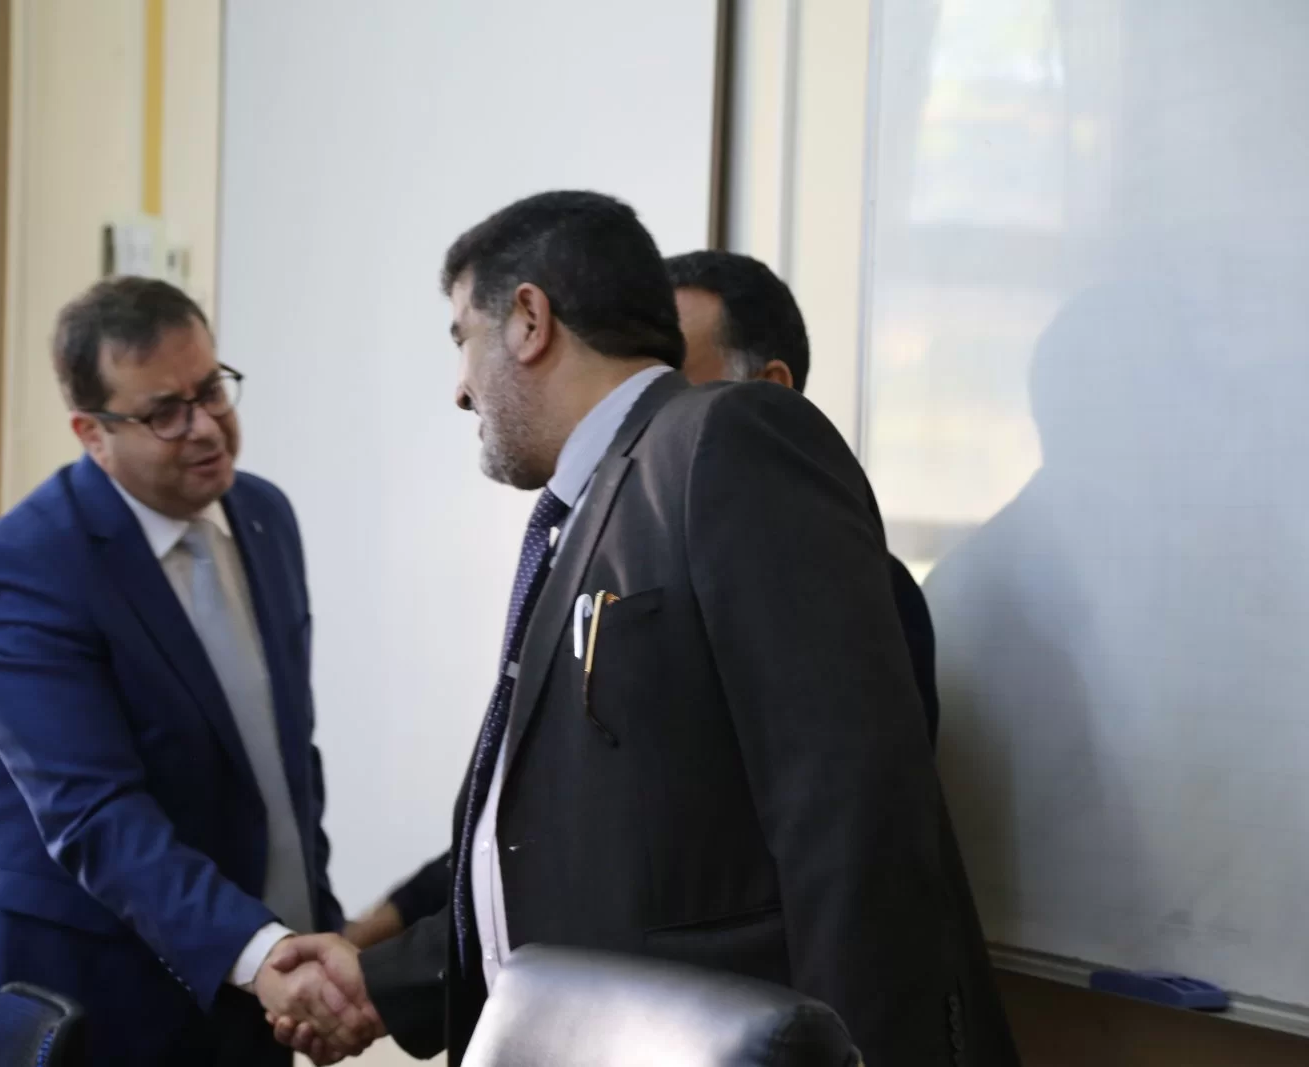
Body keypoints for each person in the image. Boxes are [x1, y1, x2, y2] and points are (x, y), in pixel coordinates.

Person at [270, 192, 1017, 1067]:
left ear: (529, 320)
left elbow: (851, 812)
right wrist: (381, 979)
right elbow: (575, 857)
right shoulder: (585, 510)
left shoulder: (728, 436)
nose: (461, 387)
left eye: (462, 337)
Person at [343, 250, 941, 961]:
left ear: (769, 389)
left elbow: (853, 833)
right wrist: (373, 955)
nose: (640, 395)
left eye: (668, 370)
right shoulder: (591, 540)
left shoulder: (844, 572)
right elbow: (550, 825)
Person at [0, 278, 378, 1065]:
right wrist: (263, 953)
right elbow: (96, 815)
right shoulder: (23, 568)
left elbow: (280, 762)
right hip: (80, 994)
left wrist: (310, 937)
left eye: (212, 390)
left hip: (240, 978)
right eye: (165, 411)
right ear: (92, 433)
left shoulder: (265, 517)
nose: (206, 426)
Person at [666, 250, 940, 743]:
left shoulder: (857, 583)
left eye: (671, 379)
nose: (642, 411)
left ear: (770, 389)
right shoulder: (631, 554)